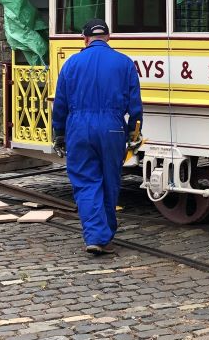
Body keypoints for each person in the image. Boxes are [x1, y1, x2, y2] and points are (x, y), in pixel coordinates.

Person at [51, 18, 143, 256]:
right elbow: (135, 106)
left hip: (79, 127)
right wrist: (134, 131)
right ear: (109, 38)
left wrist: (59, 133)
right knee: (110, 180)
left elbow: (59, 104)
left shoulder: (71, 64)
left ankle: (96, 235)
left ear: (85, 38)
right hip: (112, 127)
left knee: (85, 181)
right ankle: (104, 234)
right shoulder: (124, 63)